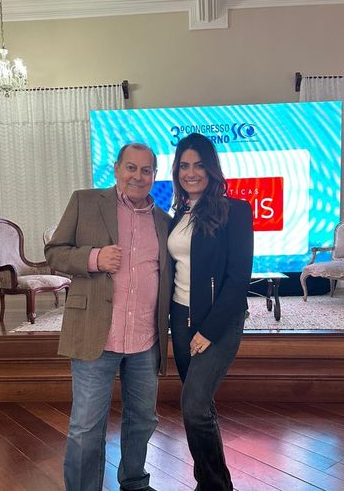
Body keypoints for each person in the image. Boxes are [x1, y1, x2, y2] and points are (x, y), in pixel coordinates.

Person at [45, 143, 171, 491]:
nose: (138, 176)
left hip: (145, 339)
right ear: (116, 169)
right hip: (96, 336)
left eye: (146, 170)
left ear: (154, 175)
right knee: (86, 427)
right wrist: (94, 258)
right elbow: (54, 253)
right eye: (131, 167)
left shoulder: (164, 221)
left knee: (143, 420)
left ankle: (134, 482)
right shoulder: (85, 201)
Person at [167, 133, 254, 491]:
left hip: (218, 323)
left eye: (199, 165)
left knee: (193, 406)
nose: (191, 172)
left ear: (211, 168)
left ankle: (217, 486)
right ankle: (210, 483)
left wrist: (209, 330)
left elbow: (239, 278)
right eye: (184, 165)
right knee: (200, 407)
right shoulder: (177, 214)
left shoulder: (236, 211)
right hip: (180, 320)